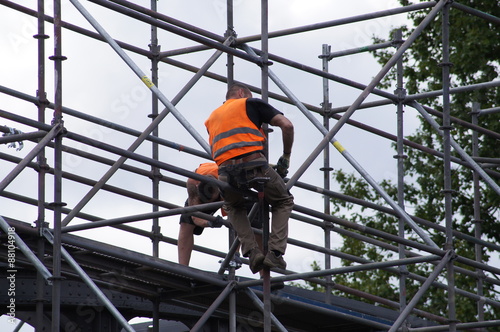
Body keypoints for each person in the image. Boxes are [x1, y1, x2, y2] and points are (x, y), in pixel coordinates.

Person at [205, 82, 294, 274]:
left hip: (225, 172)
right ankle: (275, 254)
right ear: (241, 93)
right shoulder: (250, 103)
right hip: (254, 165)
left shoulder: (212, 118)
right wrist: (286, 157)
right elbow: (287, 126)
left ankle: (252, 252)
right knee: (283, 201)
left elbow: (229, 148)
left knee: (233, 207)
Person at [177, 162, 225, 266]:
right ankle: (182, 267)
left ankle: (235, 255)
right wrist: (210, 223)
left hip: (224, 191)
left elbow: (236, 218)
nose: (207, 204)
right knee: (186, 222)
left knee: (240, 218)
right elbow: (195, 217)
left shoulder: (226, 182)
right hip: (201, 194)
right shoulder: (192, 182)